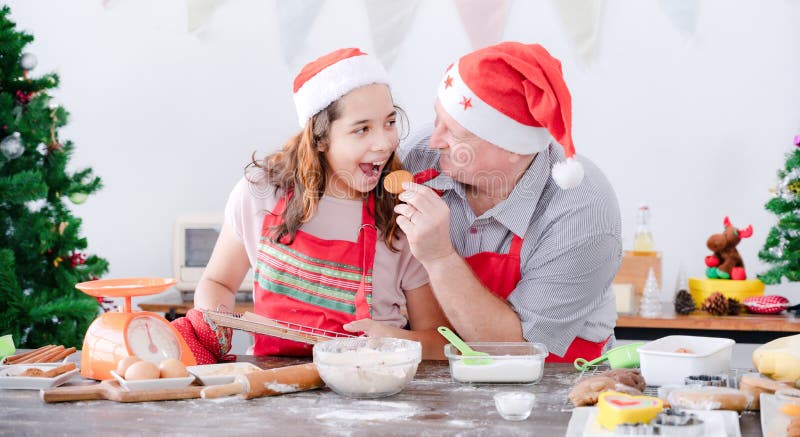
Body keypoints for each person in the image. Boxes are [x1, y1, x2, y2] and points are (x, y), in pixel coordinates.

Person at [174, 48, 448, 362]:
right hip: (273, 388)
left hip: (370, 393)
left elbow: (438, 342)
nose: (385, 142)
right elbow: (219, 282)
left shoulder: (402, 216)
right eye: (362, 129)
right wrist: (214, 322)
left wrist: (393, 340)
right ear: (319, 138)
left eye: (389, 122)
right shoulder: (260, 194)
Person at [394, 41, 621, 363]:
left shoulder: (582, 211)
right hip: (447, 370)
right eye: (437, 119)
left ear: (512, 147)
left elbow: (517, 350)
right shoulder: (420, 156)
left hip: (554, 382)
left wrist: (440, 257)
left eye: (455, 133)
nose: (434, 140)